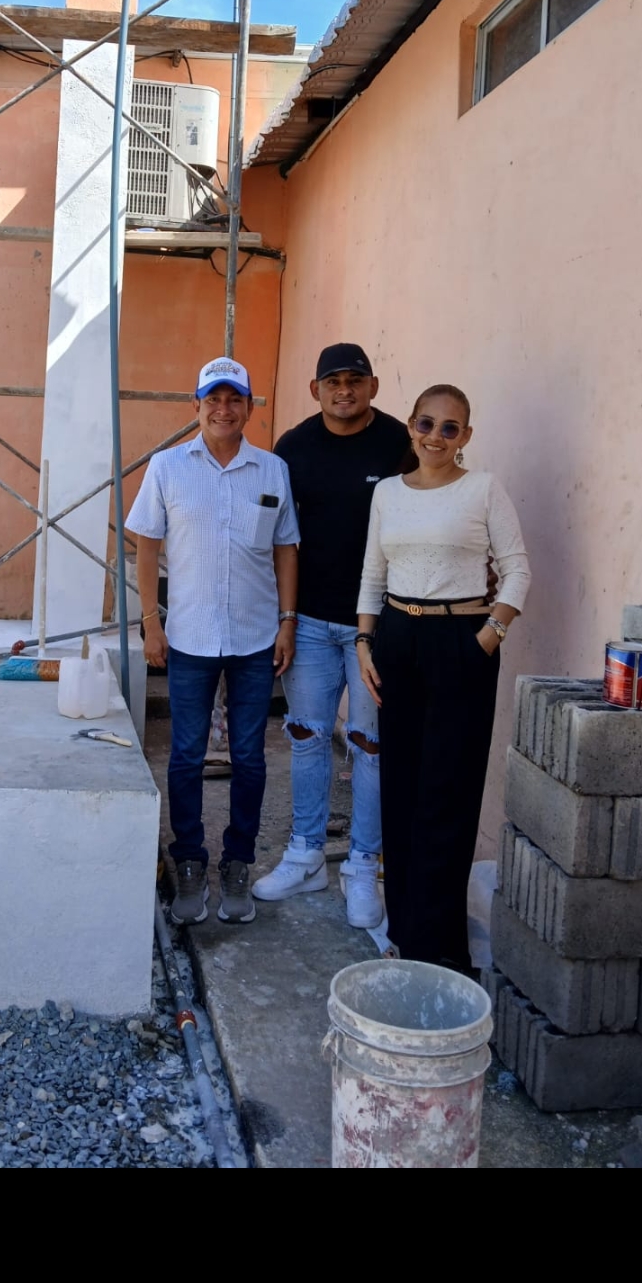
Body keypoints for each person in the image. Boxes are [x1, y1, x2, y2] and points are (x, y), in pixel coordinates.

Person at [355, 384, 530, 974]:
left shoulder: (483, 490)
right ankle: (405, 933)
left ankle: (444, 948)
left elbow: (517, 571)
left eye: (449, 427)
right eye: (426, 423)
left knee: (448, 792)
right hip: (396, 638)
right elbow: (372, 573)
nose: (435, 436)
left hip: (462, 640)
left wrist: (488, 637)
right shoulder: (387, 493)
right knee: (402, 787)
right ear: (410, 425)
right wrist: (364, 642)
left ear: (465, 437)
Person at [129, 356, 299, 928]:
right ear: (196, 406)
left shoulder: (271, 470)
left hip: (255, 636)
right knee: (185, 754)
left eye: (234, 399)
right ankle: (190, 861)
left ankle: (238, 862)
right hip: (190, 636)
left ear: (249, 407)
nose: (223, 409)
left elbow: (286, 549)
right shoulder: (168, 467)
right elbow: (146, 545)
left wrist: (287, 621)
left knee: (249, 756)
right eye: (213, 399)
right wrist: (151, 622)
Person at [254, 343, 408, 928]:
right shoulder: (293, 448)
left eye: (355, 380)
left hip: (376, 625)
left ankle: (363, 866)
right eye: (333, 381)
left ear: (373, 386)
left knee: (370, 747)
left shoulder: (398, 444)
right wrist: (284, 617)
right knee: (307, 737)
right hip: (311, 623)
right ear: (315, 389)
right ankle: (306, 856)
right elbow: (278, 537)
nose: (345, 390)